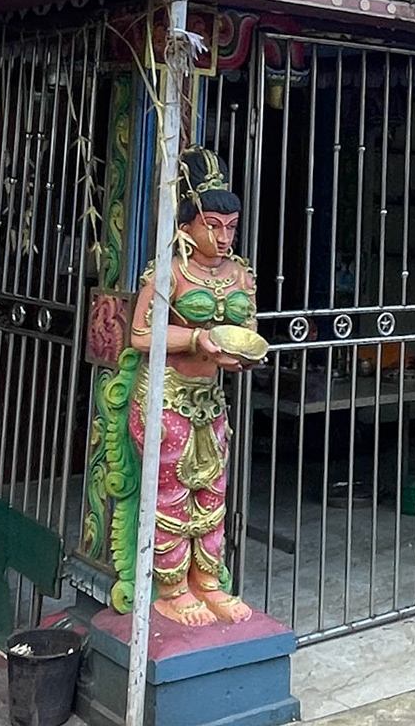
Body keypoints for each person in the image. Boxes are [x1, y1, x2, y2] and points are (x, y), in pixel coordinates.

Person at [125, 145, 261, 624]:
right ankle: (171, 587)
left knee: (213, 491)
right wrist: (200, 338)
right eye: (213, 225)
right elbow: (141, 333)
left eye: (231, 227)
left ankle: (208, 582)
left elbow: (249, 328)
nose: (224, 237)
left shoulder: (241, 275)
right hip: (168, 397)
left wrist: (240, 354)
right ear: (187, 227)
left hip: (211, 400)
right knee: (170, 493)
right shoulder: (170, 271)